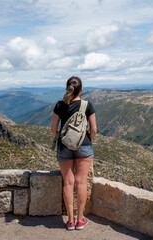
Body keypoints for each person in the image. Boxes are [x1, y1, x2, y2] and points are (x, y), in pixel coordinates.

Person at [50, 76, 97, 230]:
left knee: (68, 183)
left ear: (66, 88)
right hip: (84, 146)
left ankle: (70, 221)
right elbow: (94, 129)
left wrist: (65, 140)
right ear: (81, 90)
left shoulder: (59, 105)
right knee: (81, 182)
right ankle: (80, 220)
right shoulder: (87, 105)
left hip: (64, 147)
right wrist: (85, 141)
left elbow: (53, 130)